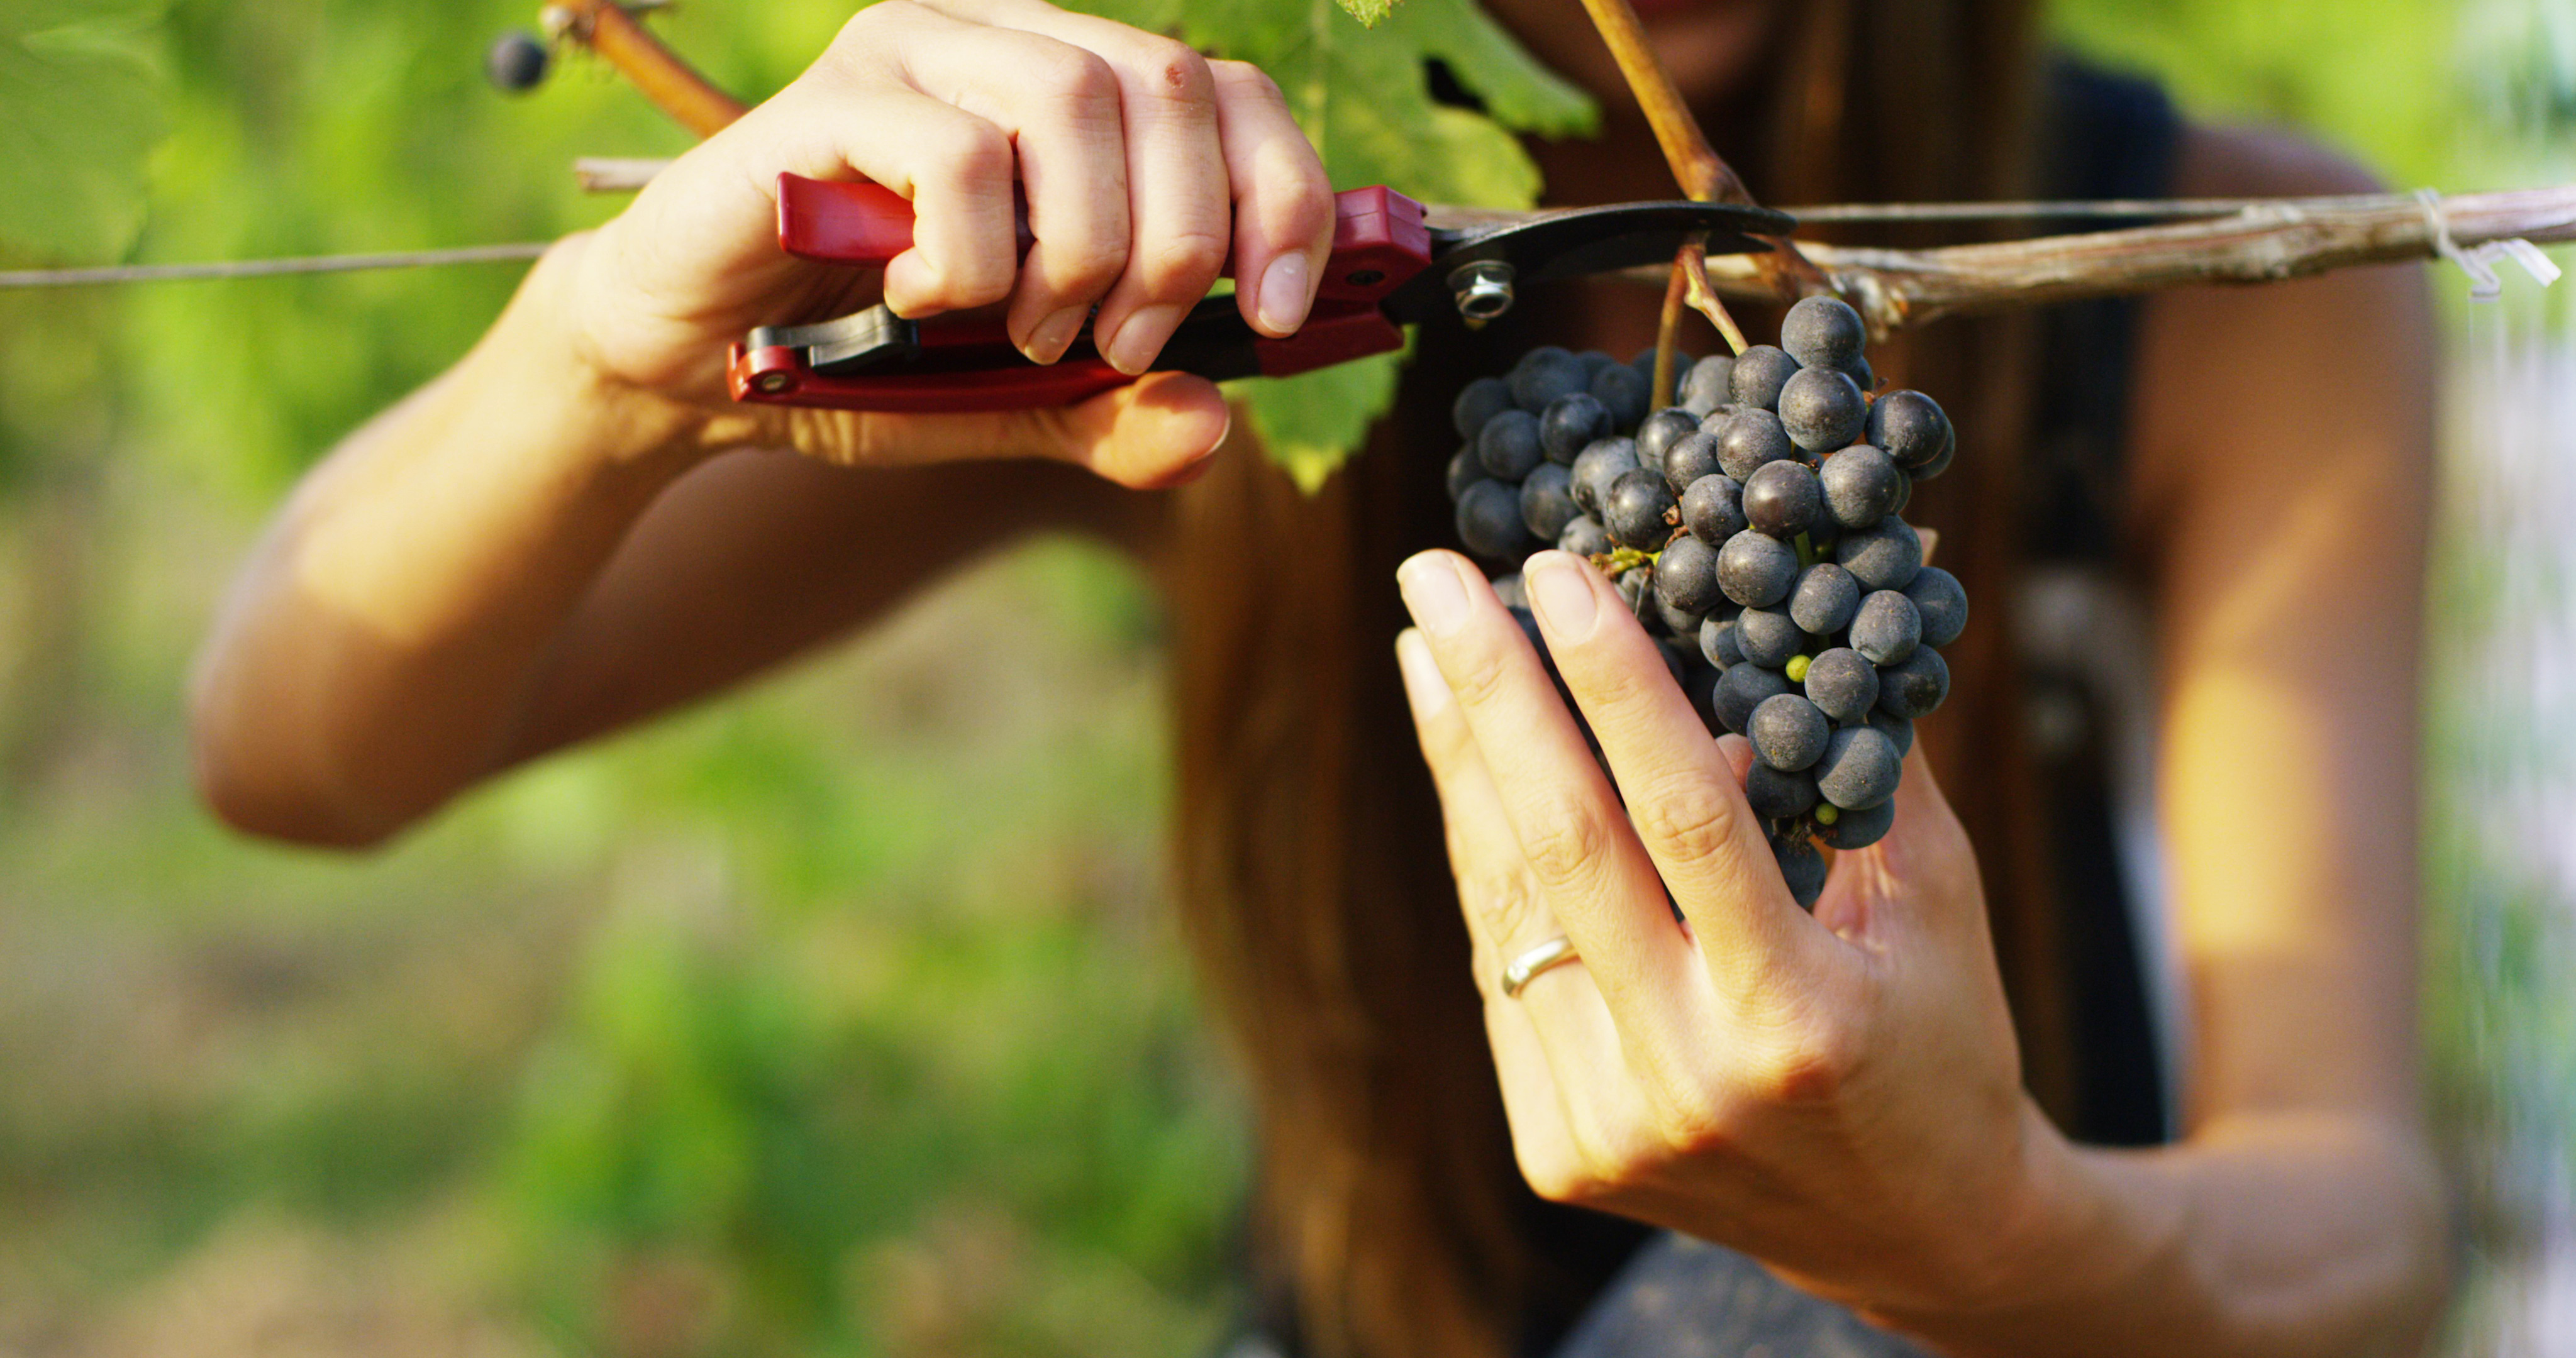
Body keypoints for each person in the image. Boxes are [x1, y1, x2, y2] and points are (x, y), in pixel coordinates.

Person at [189, 0, 2451, 1352]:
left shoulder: (2234, 274)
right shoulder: (1212, 282)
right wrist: (602, 364)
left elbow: (2358, 1230)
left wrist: (2000, 1242)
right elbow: (288, 744)